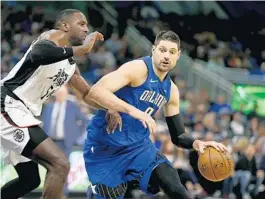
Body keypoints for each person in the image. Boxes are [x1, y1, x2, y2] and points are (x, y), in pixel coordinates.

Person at [0, 9, 154, 199]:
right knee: (60, 164)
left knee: (30, 179)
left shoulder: (70, 65)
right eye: (81, 24)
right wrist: (83, 49)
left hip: (20, 113)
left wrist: (110, 108)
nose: (86, 30)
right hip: (8, 105)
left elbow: (87, 94)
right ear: (65, 26)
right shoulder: (52, 37)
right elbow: (39, 52)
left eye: (87, 26)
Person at [85, 30, 228, 199]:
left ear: (178, 55)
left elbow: (178, 135)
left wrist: (197, 143)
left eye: (172, 52)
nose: (166, 56)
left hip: (139, 148)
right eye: (162, 50)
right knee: (110, 194)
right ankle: (96, 193)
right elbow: (94, 92)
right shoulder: (138, 69)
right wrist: (131, 110)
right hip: (106, 147)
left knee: (173, 185)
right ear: (153, 50)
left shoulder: (171, 90)